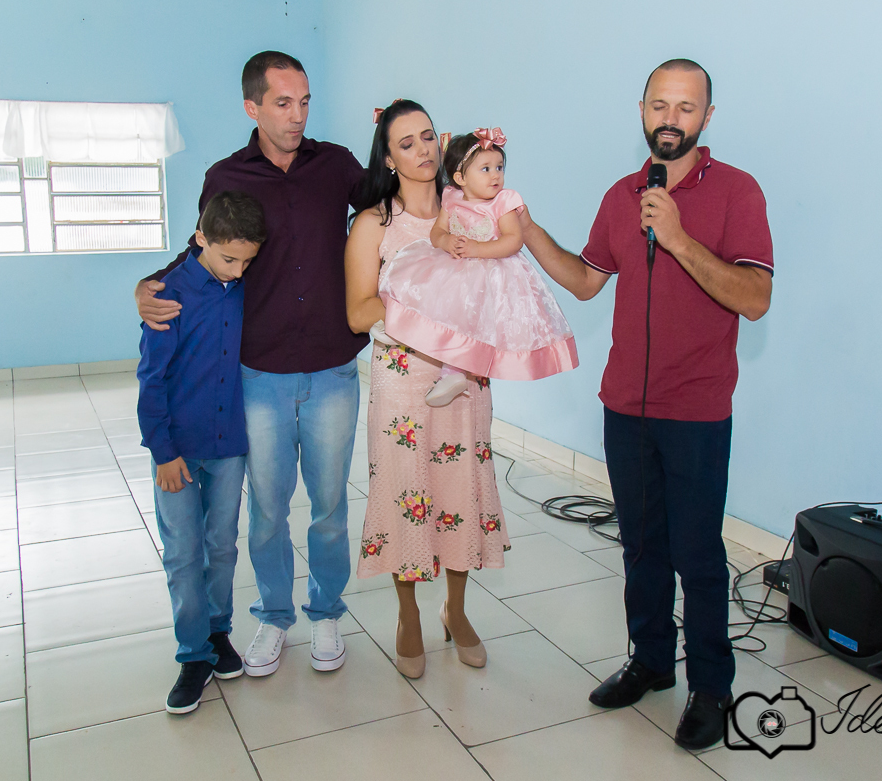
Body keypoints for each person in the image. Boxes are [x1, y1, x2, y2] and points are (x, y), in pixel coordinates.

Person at [519, 59, 774, 750]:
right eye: (660, 104)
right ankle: (652, 659)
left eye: (686, 107)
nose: (671, 118)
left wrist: (680, 238)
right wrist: (529, 231)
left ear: (707, 117)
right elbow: (586, 280)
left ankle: (711, 686)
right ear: (641, 110)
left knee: (698, 553)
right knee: (640, 546)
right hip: (625, 405)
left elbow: (755, 299)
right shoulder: (621, 195)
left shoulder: (738, 191)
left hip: (696, 409)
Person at [135, 51, 365, 677]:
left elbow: (392, 199)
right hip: (259, 375)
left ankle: (326, 613)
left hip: (332, 370)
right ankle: (274, 615)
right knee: (267, 511)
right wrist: (149, 286)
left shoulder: (336, 165)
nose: (297, 116)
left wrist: (438, 159)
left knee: (329, 506)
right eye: (283, 103)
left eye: (305, 102)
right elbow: (203, 249)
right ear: (252, 107)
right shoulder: (226, 176)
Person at [345, 100, 509, 678]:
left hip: (464, 378)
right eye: (406, 143)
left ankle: (456, 610)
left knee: (461, 489)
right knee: (405, 491)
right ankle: (408, 613)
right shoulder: (374, 224)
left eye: (428, 137)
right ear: (388, 158)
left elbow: (499, 279)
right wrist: (418, 313)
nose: (422, 150)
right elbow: (358, 311)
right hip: (402, 379)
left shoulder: (469, 207)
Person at [136, 191, 267, 714]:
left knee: (222, 546)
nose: (237, 271)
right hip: (178, 452)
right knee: (183, 552)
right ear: (200, 240)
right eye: (228, 259)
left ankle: (217, 632)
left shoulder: (243, 287)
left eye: (247, 262)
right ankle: (192, 655)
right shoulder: (168, 296)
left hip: (228, 445)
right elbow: (151, 380)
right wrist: (163, 451)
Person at [376, 127, 577, 407]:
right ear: (460, 178)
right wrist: (446, 241)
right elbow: (437, 232)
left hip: (490, 272)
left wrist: (476, 249)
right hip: (456, 265)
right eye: (485, 169)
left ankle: (453, 372)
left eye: (499, 167)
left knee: (468, 322)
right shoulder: (451, 198)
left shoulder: (503, 202)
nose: (496, 175)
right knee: (427, 293)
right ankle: (401, 326)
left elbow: (513, 240)